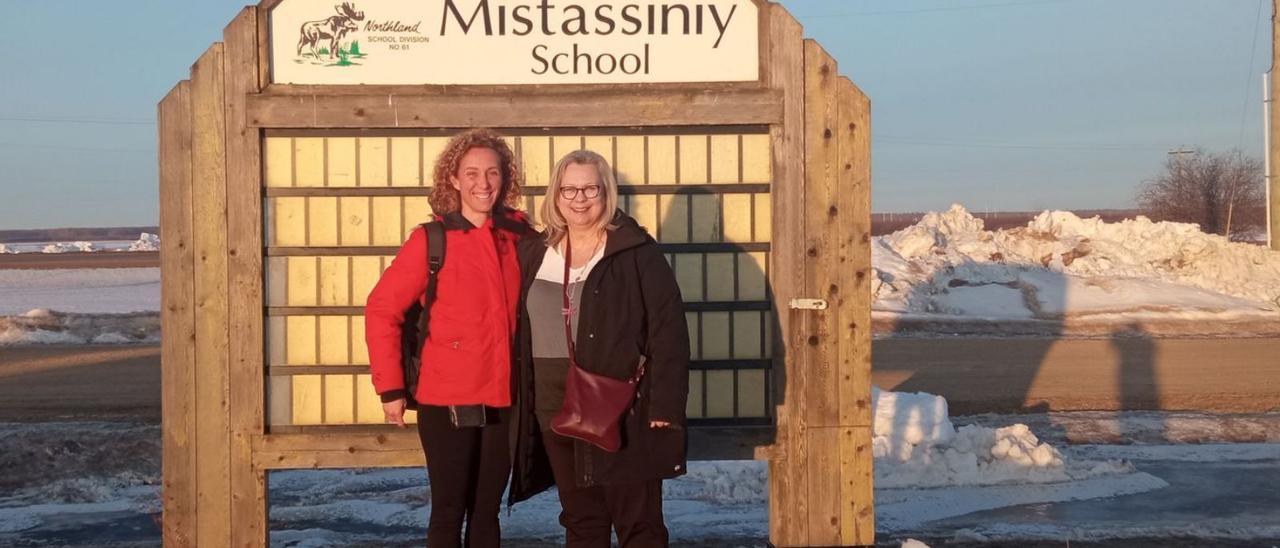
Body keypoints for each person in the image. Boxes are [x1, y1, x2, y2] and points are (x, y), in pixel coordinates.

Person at [507, 149, 690, 547]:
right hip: (551, 406)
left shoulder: (636, 252)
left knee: (638, 521)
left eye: (590, 187)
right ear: (555, 195)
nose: (579, 198)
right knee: (581, 519)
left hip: (619, 405)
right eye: (569, 189)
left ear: (606, 192)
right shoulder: (535, 252)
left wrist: (664, 406)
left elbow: (668, 330)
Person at [364, 128, 531, 548]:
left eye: (493, 172)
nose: (483, 183)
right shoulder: (431, 240)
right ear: (453, 179)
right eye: (471, 172)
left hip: (506, 400)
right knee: (448, 511)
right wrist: (390, 388)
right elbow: (382, 309)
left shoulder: (521, 237)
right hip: (448, 400)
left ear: (505, 178)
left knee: (487, 513)